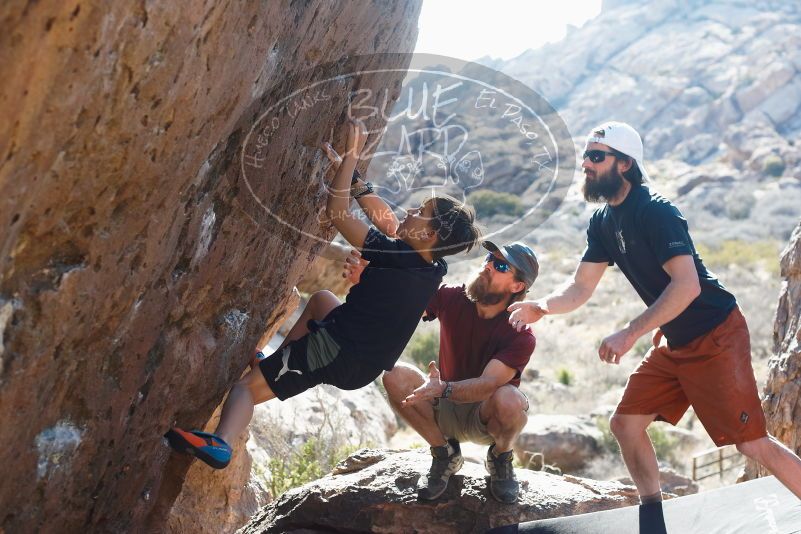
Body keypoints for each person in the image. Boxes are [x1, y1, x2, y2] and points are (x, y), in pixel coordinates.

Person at [507, 121, 801, 502]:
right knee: (626, 425)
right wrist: (542, 307)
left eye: (597, 157)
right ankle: (652, 512)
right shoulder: (602, 222)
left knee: (752, 444)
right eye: (586, 157)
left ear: (625, 164)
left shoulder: (656, 212)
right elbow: (581, 287)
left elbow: (687, 285)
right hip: (674, 342)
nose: (587, 165)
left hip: (716, 335)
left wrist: (630, 333)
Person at [165, 118, 482, 469]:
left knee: (245, 391)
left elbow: (337, 213)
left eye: (420, 213)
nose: (410, 211)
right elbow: (389, 223)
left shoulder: (397, 255)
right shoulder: (433, 266)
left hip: (336, 350)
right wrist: (357, 181)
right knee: (320, 302)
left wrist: (349, 157)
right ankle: (275, 362)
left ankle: (221, 444)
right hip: (364, 364)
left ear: (430, 235)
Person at [345, 240, 538, 504]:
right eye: (488, 259)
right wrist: (368, 280)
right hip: (443, 407)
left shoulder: (520, 334)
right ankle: (444, 453)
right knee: (394, 376)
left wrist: (444, 388)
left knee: (511, 400)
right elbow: (401, 306)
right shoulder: (452, 297)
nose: (488, 266)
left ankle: (500, 459)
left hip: (483, 416)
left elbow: (488, 384)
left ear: (517, 286)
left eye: (500, 265)